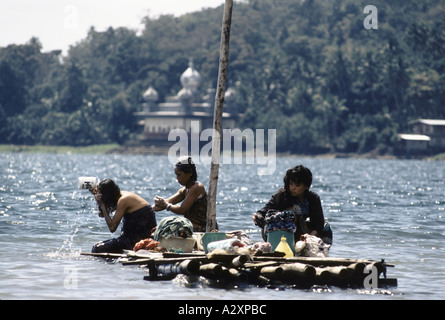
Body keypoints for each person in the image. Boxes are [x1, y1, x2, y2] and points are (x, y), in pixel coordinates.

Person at [252, 165, 332, 244]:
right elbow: (265, 210)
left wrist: (310, 237)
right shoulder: (281, 195)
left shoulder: (313, 198)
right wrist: (257, 217)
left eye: (297, 185)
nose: (293, 188)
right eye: (291, 184)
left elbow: (318, 222)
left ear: (306, 186)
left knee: (326, 227)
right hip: (277, 231)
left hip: (301, 233)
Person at [90, 179, 157, 253]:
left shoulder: (124, 200)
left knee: (97, 248)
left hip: (139, 238)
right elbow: (102, 214)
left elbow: (112, 228)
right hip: (132, 237)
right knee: (98, 247)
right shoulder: (118, 196)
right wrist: (97, 198)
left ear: (107, 194)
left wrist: (102, 204)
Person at [153, 156, 210, 232]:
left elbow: (182, 209)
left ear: (189, 173)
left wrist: (166, 205)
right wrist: (147, 209)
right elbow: (165, 203)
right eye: (176, 175)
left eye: (179, 175)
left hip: (203, 230)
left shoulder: (197, 187)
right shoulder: (184, 190)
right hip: (192, 229)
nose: (177, 178)